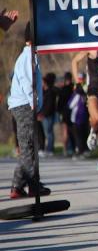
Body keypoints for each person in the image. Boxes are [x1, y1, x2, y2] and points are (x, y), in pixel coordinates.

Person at [8, 22, 51, 199]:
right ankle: (33, 185)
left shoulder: (31, 56)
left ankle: (18, 186)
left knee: (29, 147)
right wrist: (34, 103)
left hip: (26, 105)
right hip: (24, 105)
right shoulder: (27, 57)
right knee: (28, 148)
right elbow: (27, 82)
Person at [57, 72, 76, 157]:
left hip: (64, 113)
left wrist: (59, 111)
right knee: (73, 131)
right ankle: (73, 148)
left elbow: (59, 103)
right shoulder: (74, 88)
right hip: (73, 112)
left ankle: (65, 149)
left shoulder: (63, 90)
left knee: (65, 131)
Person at [39, 73, 58, 157]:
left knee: (49, 133)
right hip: (43, 115)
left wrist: (43, 114)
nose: (42, 83)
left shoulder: (50, 92)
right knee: (46, 133)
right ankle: (47, 148)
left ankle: (50, 149)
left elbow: (49, 106)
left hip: (48, 116)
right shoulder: (43, 91)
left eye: (43, 82)